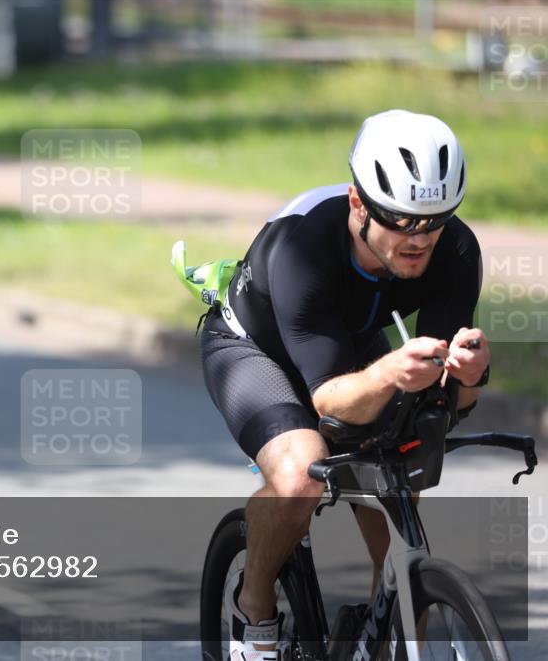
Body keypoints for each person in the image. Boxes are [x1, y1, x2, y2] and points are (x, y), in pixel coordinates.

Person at [197, 110, 490, 660]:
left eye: (435, 221)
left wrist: (469, 378)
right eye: (401, 221)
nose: (419, 239)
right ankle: (253, 614)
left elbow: (447, 401)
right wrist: (384, 374)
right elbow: (329, 399)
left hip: (345, 345)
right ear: (359, 204)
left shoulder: (455, 250)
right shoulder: (304, 247)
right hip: (252, 346)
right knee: (300, 474)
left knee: (401, 477)